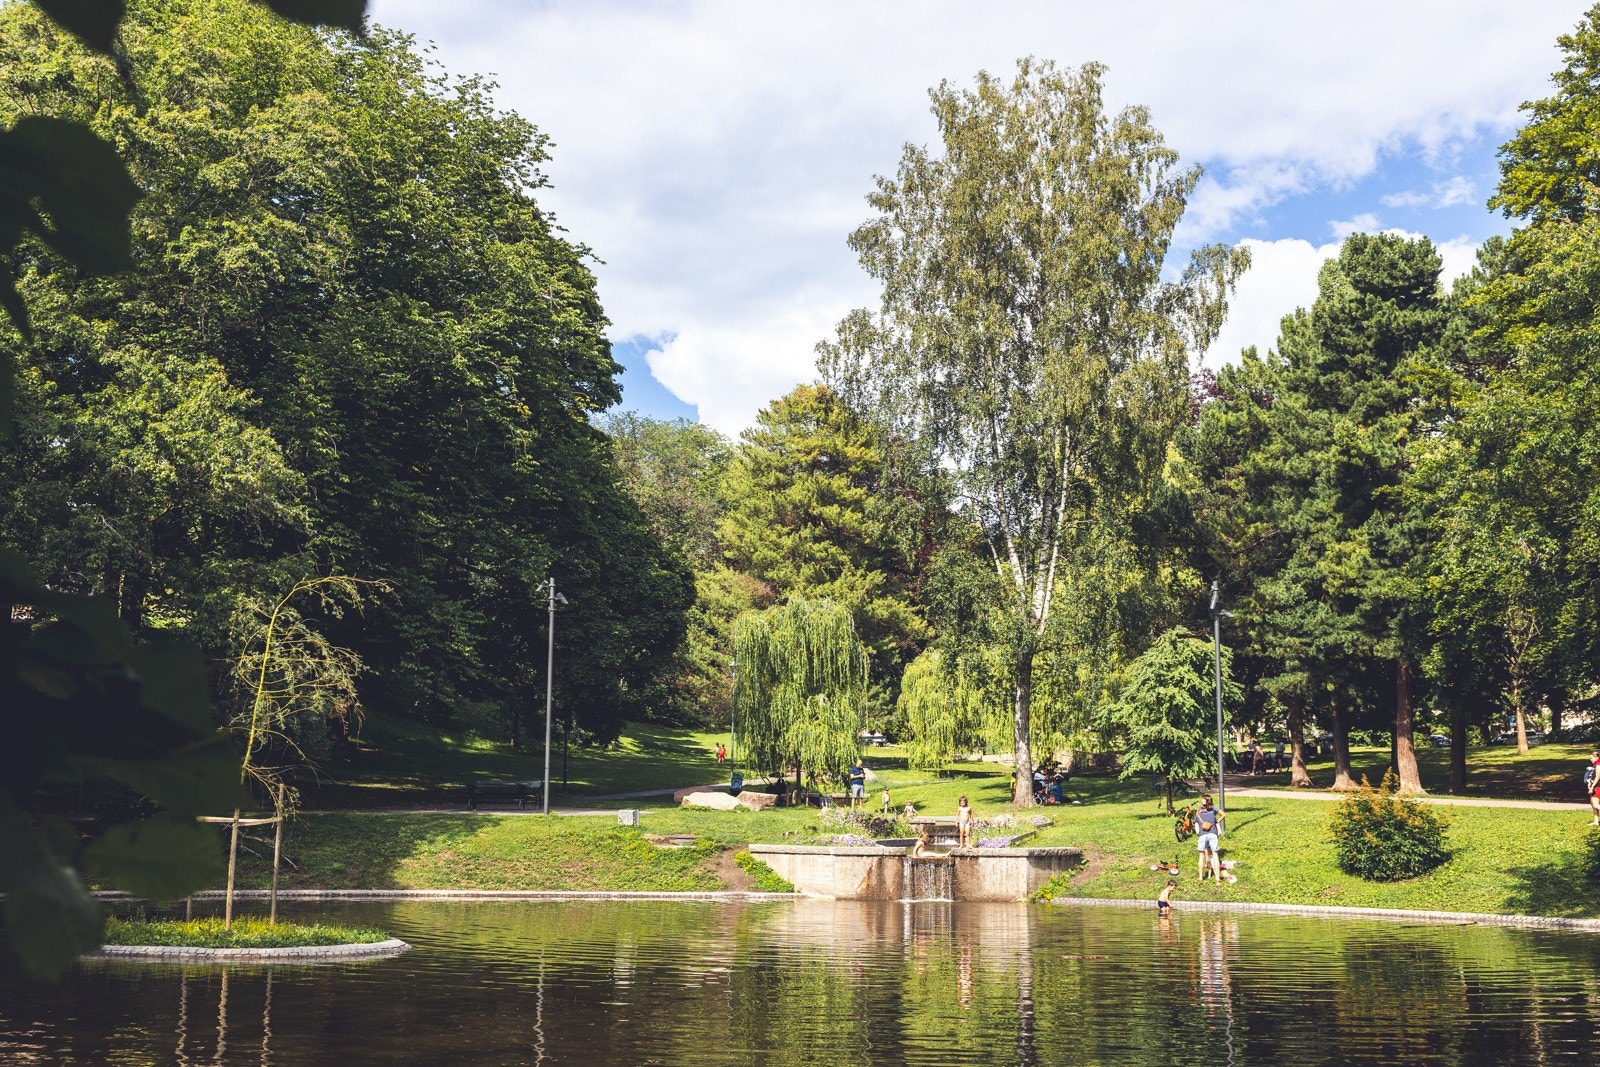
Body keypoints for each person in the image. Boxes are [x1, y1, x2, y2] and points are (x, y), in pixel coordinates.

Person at [1195, 795, 1224, 881]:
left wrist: (1198, 831)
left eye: (1203, 799)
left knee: (1201, 856)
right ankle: (1217, 877)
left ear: (1207, 800)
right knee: (1215, 855)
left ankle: (1201, 877)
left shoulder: (1202, 810)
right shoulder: (1210, 810)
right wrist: (1215, 822)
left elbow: (1196, 821)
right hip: (1212, 833)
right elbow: (1223, 815)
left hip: (1203, 833)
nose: (1202, 800)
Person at [1588, 751, 1600, 826]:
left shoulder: (1598, 765)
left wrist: (1592, 787)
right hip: (1594, 786)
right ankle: (1596, 821)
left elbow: (1597, 777)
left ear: (1596, 757)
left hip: (1597, 787)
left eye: (1591, 758)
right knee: (1593, 804)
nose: (1590, 759)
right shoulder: (1595, 765)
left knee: (1595, 804)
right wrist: (1589, 783)